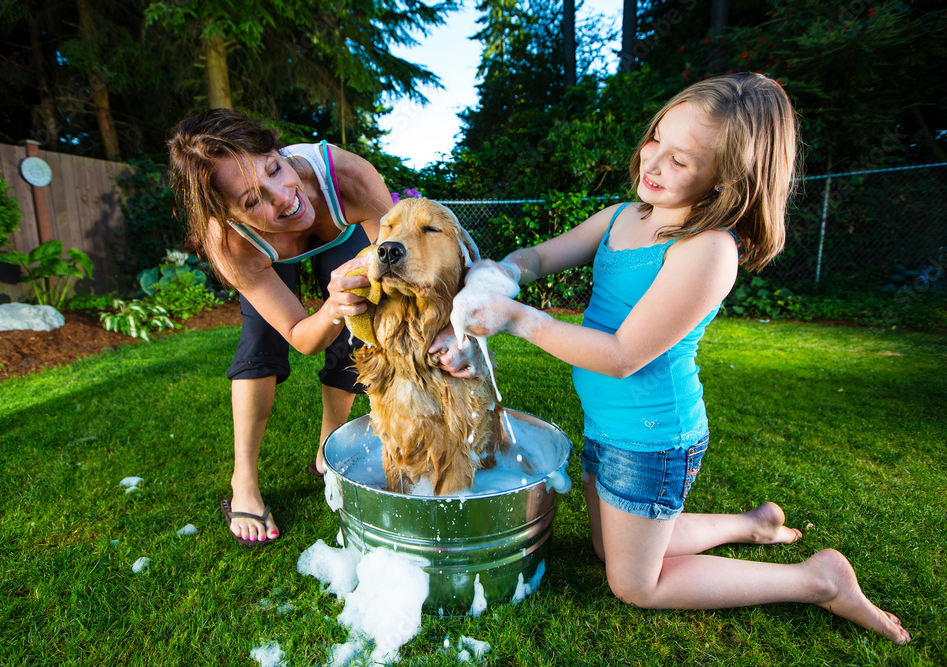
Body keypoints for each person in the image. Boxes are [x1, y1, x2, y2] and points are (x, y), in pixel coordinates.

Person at [451, 73, 910, 644]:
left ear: (728, 180)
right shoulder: (624, 217)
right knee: (604, 546)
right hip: (607, 423)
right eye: (656, 140)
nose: (654, 162)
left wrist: (519, 319)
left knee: (637, 583)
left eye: (682, 161)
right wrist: (504, 274)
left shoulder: (708, 250)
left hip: (652, 437)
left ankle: (817, 579)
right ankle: (751, 524)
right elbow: (541, 255)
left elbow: (620, 356)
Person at [168, 109, 472, 547]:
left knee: (363, 327)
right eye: (253, 200)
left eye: (275, 168)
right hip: (264, 249)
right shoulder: (230, 242)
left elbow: (407, 267)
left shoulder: (346, 176)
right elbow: (301, 337)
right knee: (260, 346)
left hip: (342, 229)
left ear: (278, 149)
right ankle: (244, 481)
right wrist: (331, 307)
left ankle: (328, 446)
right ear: (228, 212)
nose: (284, 198)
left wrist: (449, 332)